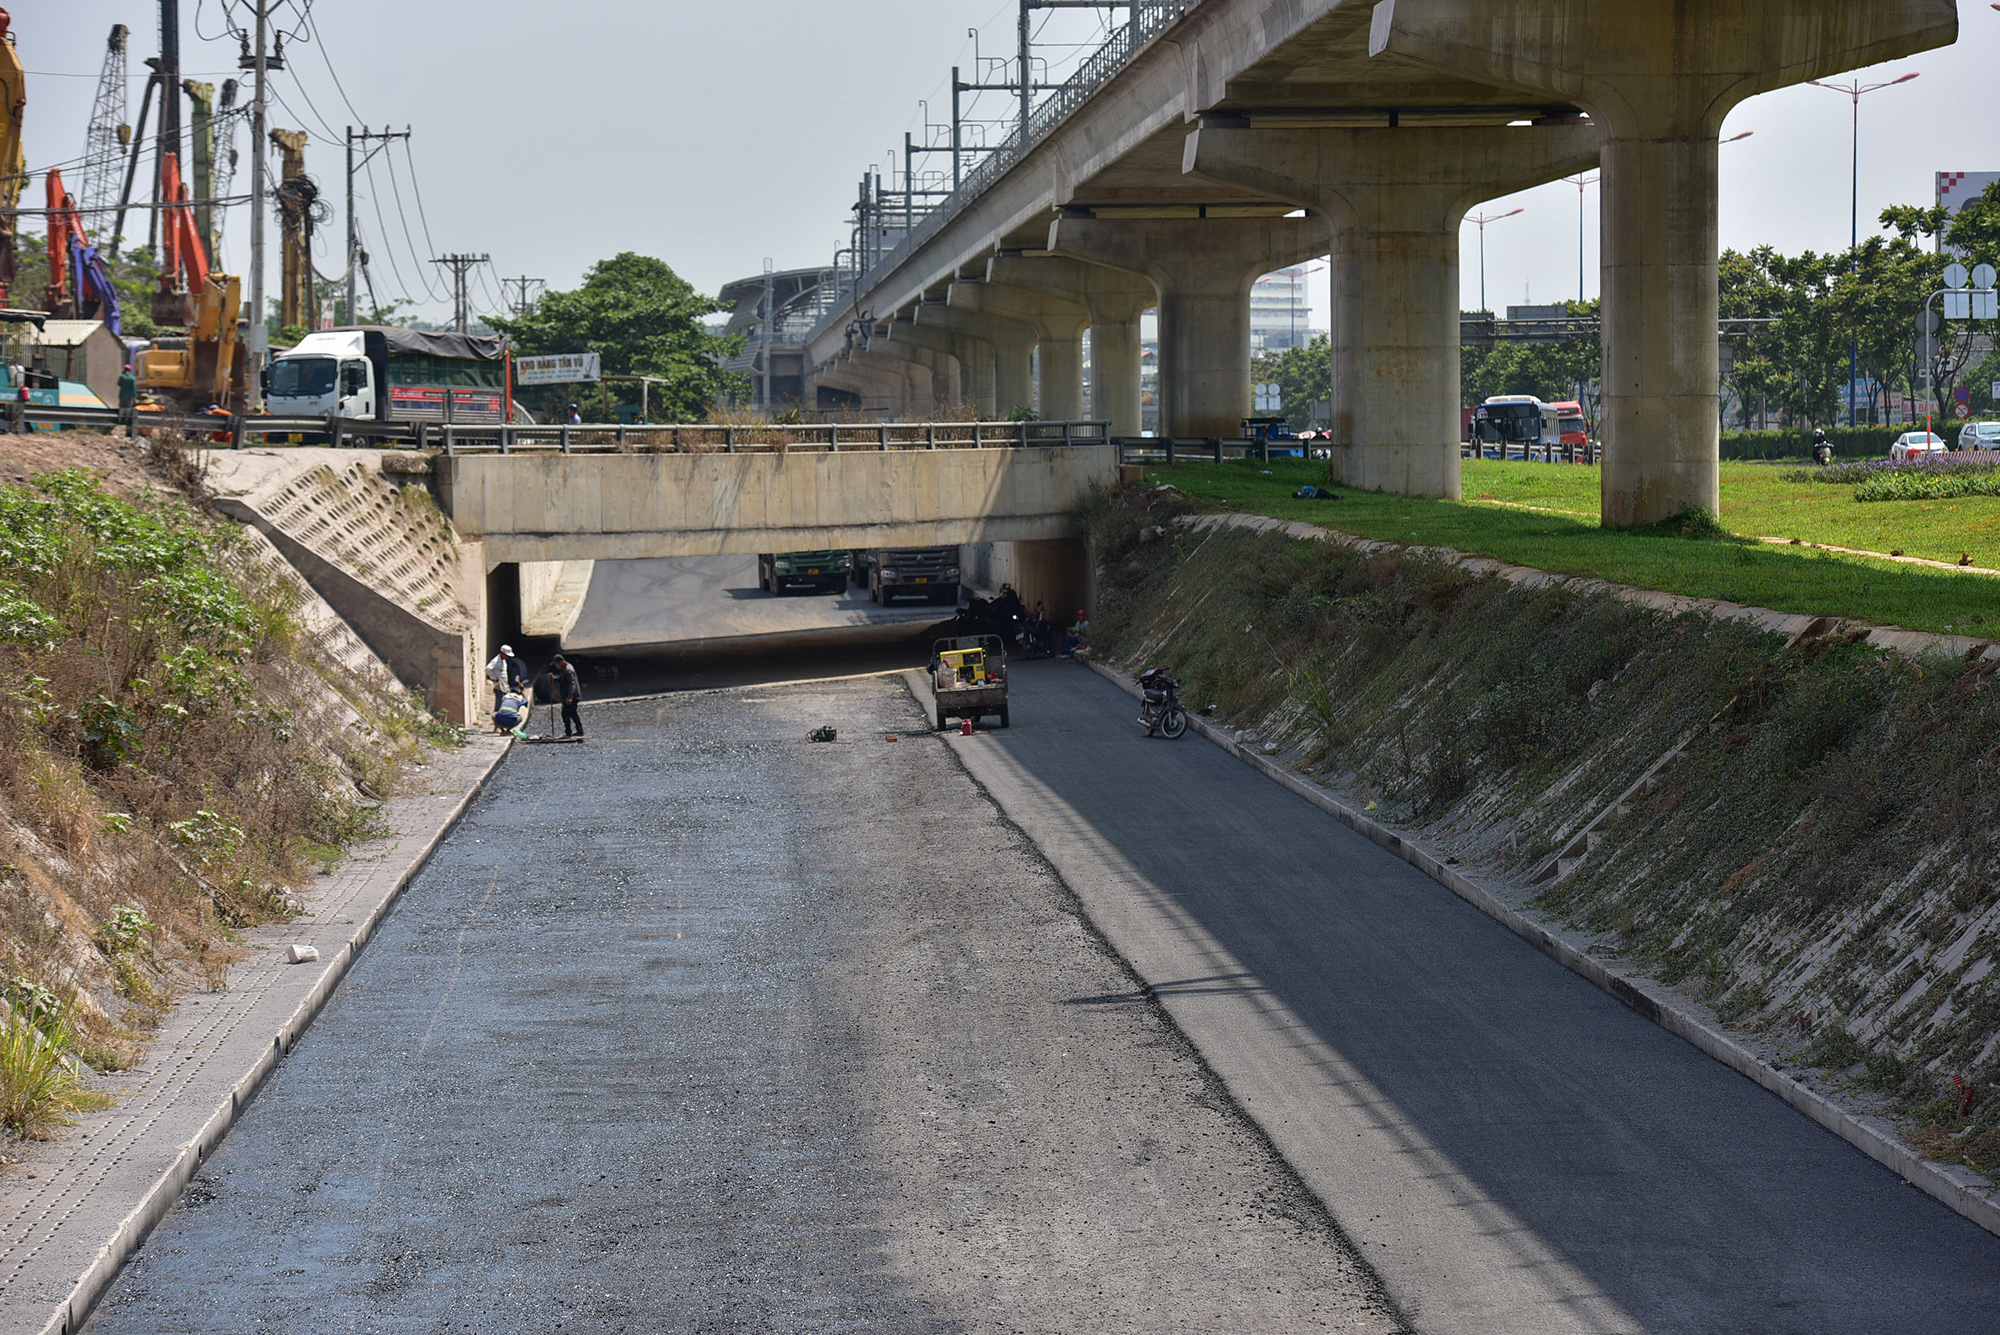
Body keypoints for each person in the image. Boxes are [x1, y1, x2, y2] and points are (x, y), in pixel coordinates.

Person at [550, 653, 585, 739]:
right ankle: (579, 731)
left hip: (572, 696)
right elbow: (563, 680)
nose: (556, 666)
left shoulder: (568, 670)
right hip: (571, 696)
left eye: (556, 664)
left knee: (565, 714)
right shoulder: (564, 669)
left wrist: (570, 697)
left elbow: (572, 685)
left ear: (561, 662)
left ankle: (568, 732)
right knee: (573, 713)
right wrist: (554, 679)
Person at [485, 644, 525, 718]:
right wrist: (494, 677)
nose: (507, 657)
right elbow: (487, 669)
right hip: (499, 687)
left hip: (504, 687)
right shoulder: (496, 661)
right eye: (506, 655)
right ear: (502, 653)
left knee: (503, 705)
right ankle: (497, 723)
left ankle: (501, 723)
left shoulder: (503, 661)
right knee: (498, 706)